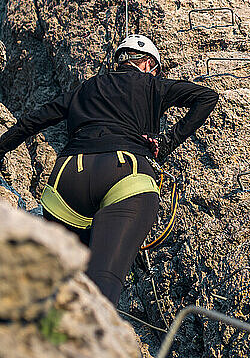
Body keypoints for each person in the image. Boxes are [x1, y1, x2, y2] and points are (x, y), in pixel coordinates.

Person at [0, 34, 219, 306]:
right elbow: (207, 97)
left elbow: (32, 121)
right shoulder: (153, 85)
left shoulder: (85, 88)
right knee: (103, 282)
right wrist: (167, 142)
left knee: (62, 281)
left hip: (67, 178)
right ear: (149, 63)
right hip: (125, 171)